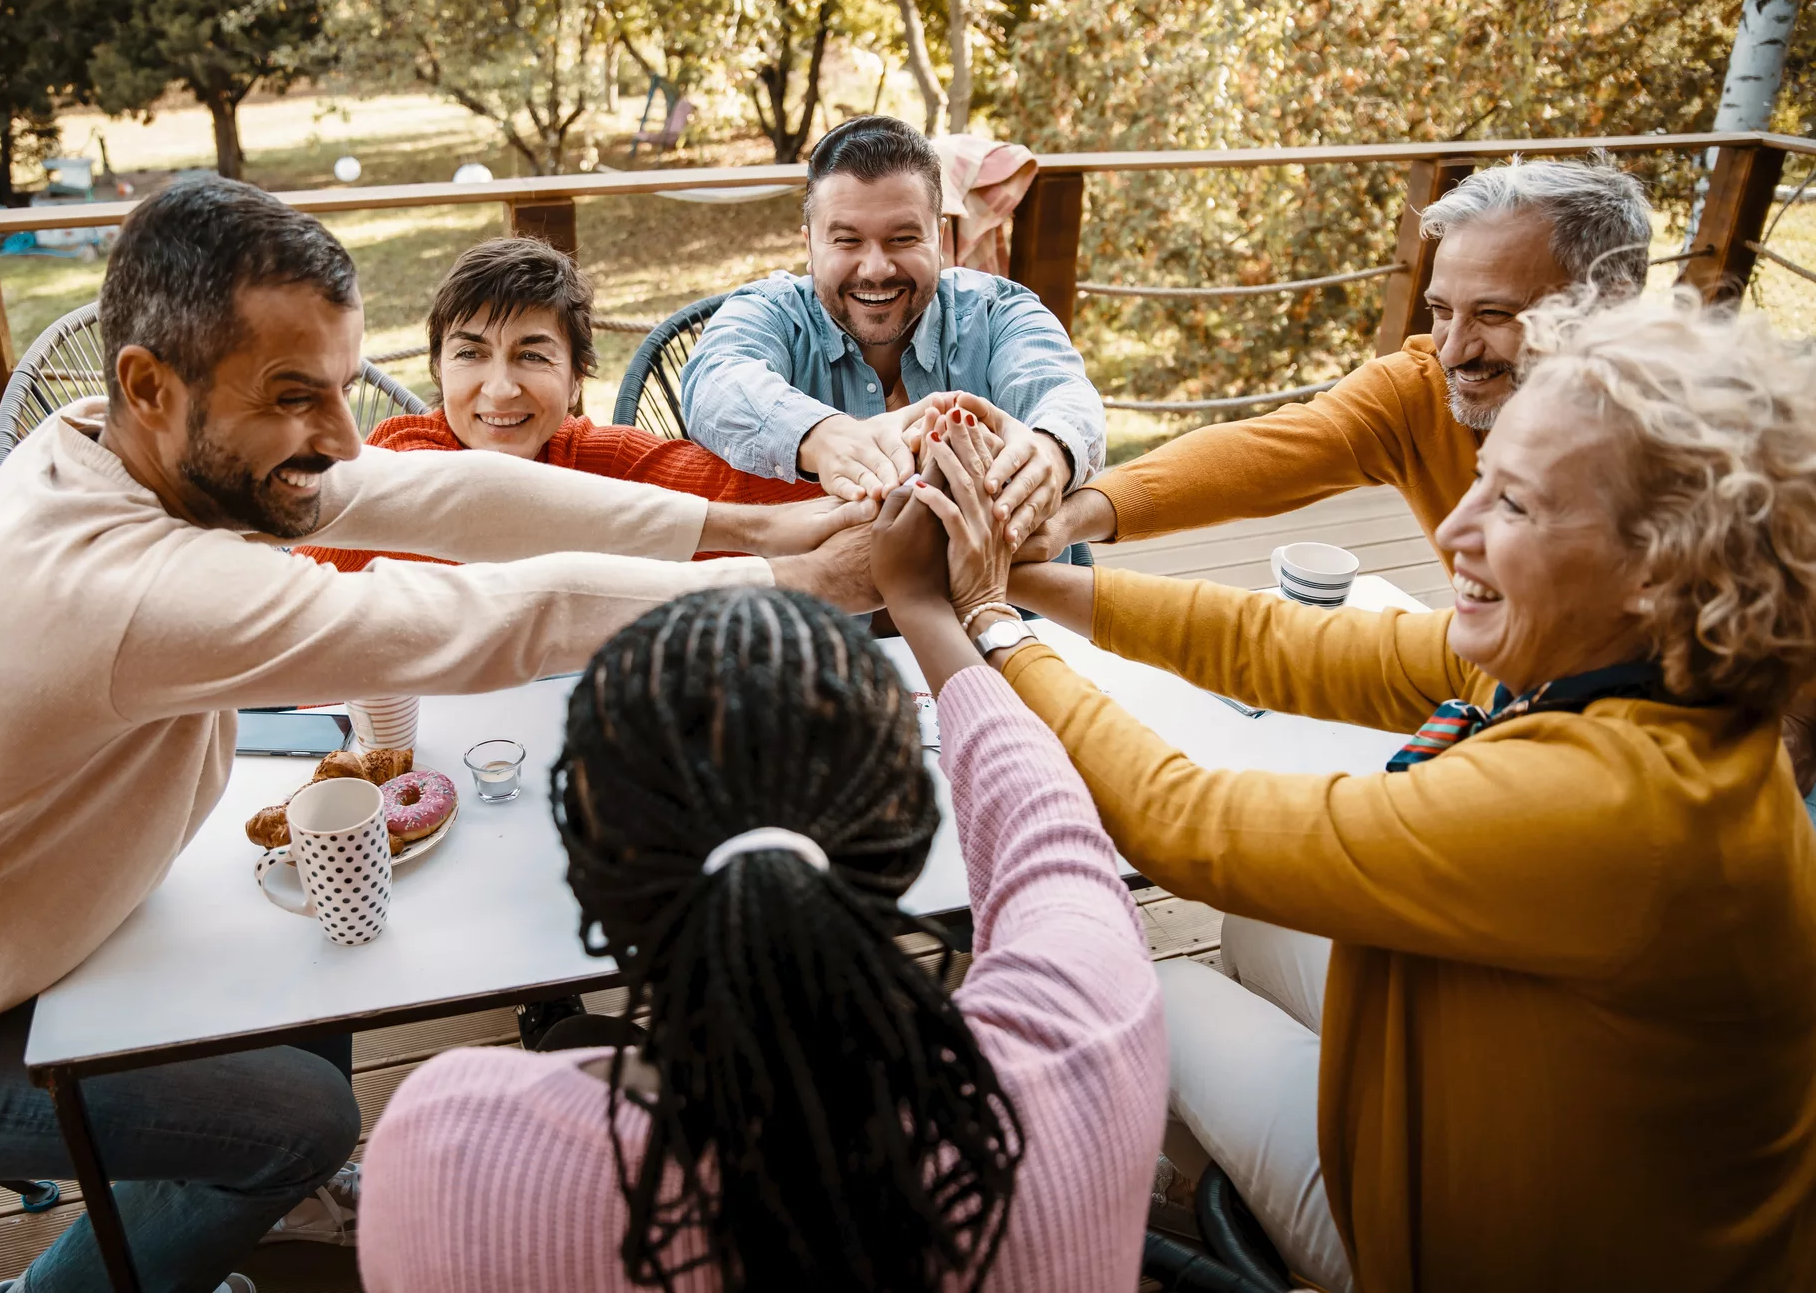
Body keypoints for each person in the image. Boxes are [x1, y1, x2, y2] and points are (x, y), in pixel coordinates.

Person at [0, 177, 878, 1293]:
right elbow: (475, 615)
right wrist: (793, 588)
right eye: (294, 397)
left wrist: (746, 525)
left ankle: (233, 1197)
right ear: (150, 383)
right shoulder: (127, 584)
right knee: (306, 1120)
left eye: (344, 386)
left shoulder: (108, 443)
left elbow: (447, 496)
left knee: (301, 961)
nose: (345, 440)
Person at [945, 291, 1816, 1291]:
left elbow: (1186, 824)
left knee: (1159, 984)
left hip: (1504, 1250)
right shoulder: (1621, 657)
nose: (1456, 528)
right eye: (1482, 480)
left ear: (1658, 571)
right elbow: (1287, 644)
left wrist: (990, 625)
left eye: (1517, 504)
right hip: (1540, 1114)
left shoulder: (1619, 804)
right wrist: (1032, 578)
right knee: (1260, 930)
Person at [356, 517, 1169, 1292]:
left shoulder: (448, 1148)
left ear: (595, 878)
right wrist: (927, 607)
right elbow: (1046, 817)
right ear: (907, 833)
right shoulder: (1090, 1033)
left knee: (574, 1038)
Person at [1019, 154, 1654, 568]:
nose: (1455, 351)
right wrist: (1073, 517)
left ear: (1607, 309)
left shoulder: (1693, 460)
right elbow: (1267, 452)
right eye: (1439, 311)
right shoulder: (1422, 389)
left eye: (1494, 315)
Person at [677, 114, 1105, 549]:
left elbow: (1065, 395)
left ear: (939, 239)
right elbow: (713, 379)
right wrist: (827, 439)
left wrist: (1051, 452)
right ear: (809, 247)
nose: (876, 269)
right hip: (815, 614)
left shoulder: (1000, 311)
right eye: (847, 241)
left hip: (1018, 610)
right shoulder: (767, 311)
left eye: (902, 239)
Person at [298, 237, 821, 576]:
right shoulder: (402, 454)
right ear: (438, 368)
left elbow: (748, 492)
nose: (500, 388)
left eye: (532, 355)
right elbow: (476, 503)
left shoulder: (605, 460)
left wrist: (878, 451)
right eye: (471, 354)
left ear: (576, 379)